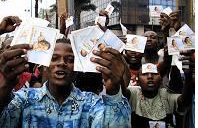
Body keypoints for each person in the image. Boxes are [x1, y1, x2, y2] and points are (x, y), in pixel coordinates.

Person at [0, 38, 131, 127]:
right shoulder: (24, 99)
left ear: (78, 68)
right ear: (45, 65)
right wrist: (4, 86)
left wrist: (114, 91)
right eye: (54, 58)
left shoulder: (92, 103)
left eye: (70, 59)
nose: (62, 63)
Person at [121, 63, 193, 128]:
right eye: (145, 74)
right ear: (138, 81)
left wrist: (188, 76)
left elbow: (185, 102)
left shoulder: (166, 94)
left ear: (161, 79)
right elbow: (122, 92)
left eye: (155, 74)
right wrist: (119, 77)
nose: (150, 77)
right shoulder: (134, 93)